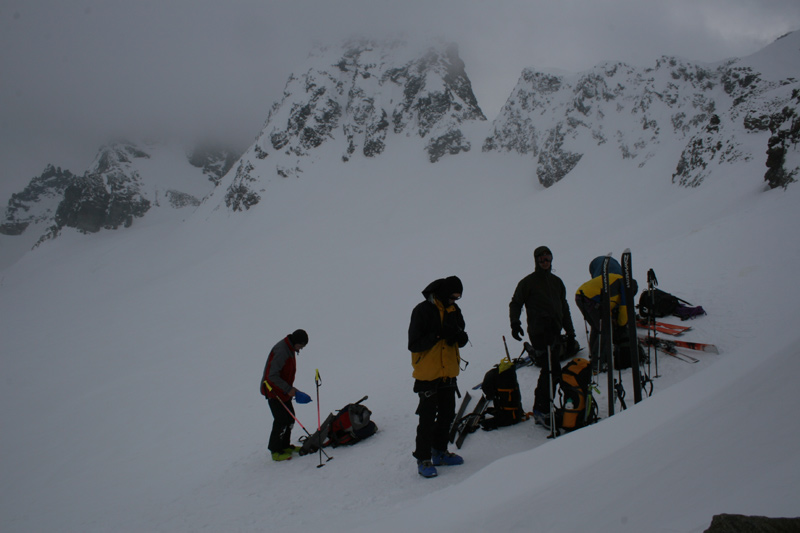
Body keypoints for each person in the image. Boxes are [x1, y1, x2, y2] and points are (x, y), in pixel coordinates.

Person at [509, 246, 577, 429]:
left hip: (555, 330)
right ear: (536, 261)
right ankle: (541, 410)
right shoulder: (529, 282)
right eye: (542, 259)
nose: (545, 262)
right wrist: (515, 323)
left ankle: (542, 408)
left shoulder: (557, 282)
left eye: (548, 258)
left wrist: (570, 333)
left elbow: (564, 309)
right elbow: (515, 303)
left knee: (551, 369)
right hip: (539, 331)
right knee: (551, 369)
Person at [408, 276, 469, 478]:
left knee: (447, 415)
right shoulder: (422, 310)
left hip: (448, 371)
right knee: (426, 418)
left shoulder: (454, 310)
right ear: (443, 293)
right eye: (452, 297)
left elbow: (460, 332)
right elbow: (414, 344)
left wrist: (460, 337)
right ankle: (423, 459)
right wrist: (437, 335)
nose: (454, 301)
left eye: (458, 298)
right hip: (428, 373)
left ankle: (440, 452)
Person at [575, 256, 636, 373]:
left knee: (597, 327)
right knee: (605, 329)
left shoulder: (616, 279)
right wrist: (621, 324)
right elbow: (623, 309)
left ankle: (595, 356)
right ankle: (597, 363)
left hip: (580, 296)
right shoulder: (624, 285)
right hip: (589, 299)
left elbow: (608, 304)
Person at [260, 329, 312, 462]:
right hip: (273, 391)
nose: (301, 349)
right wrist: (289, 389)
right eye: (301, 346)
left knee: (289, 418)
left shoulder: (290, 349)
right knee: (281, 420)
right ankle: (275, 451)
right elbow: (271, 376)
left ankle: (285, 445)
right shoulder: (282, 351)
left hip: (282, 391)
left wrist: (290, 390)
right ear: (295, 342)